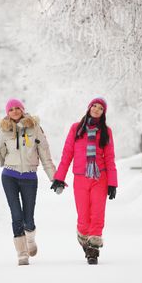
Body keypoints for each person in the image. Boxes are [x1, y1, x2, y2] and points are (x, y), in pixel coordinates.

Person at [0, 99, 56, 266]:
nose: (15, 111)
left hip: (29, 177)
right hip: (9, 176)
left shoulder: (35, 128)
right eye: (11, 109)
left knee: (28, 219)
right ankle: (21, 253)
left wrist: (55, 178)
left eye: (18, 108)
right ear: (7, 112)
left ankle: (30, 240)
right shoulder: (4, 131)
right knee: (16, 215)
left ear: (23, 110)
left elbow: (45, 155)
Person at [51, 97, 118, 265]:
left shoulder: (106, 131)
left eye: (100, 108)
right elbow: (67, 154)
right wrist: (59, 178)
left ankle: (93, 250)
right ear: (89, 108)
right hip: (80, 178)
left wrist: (112, 183)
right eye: (94, 106)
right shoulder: (76, 129)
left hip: (99, 178)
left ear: (103, 113)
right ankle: (84, 238)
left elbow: (110, 158)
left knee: (97, 213)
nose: (96, 109)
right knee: (83, 216)